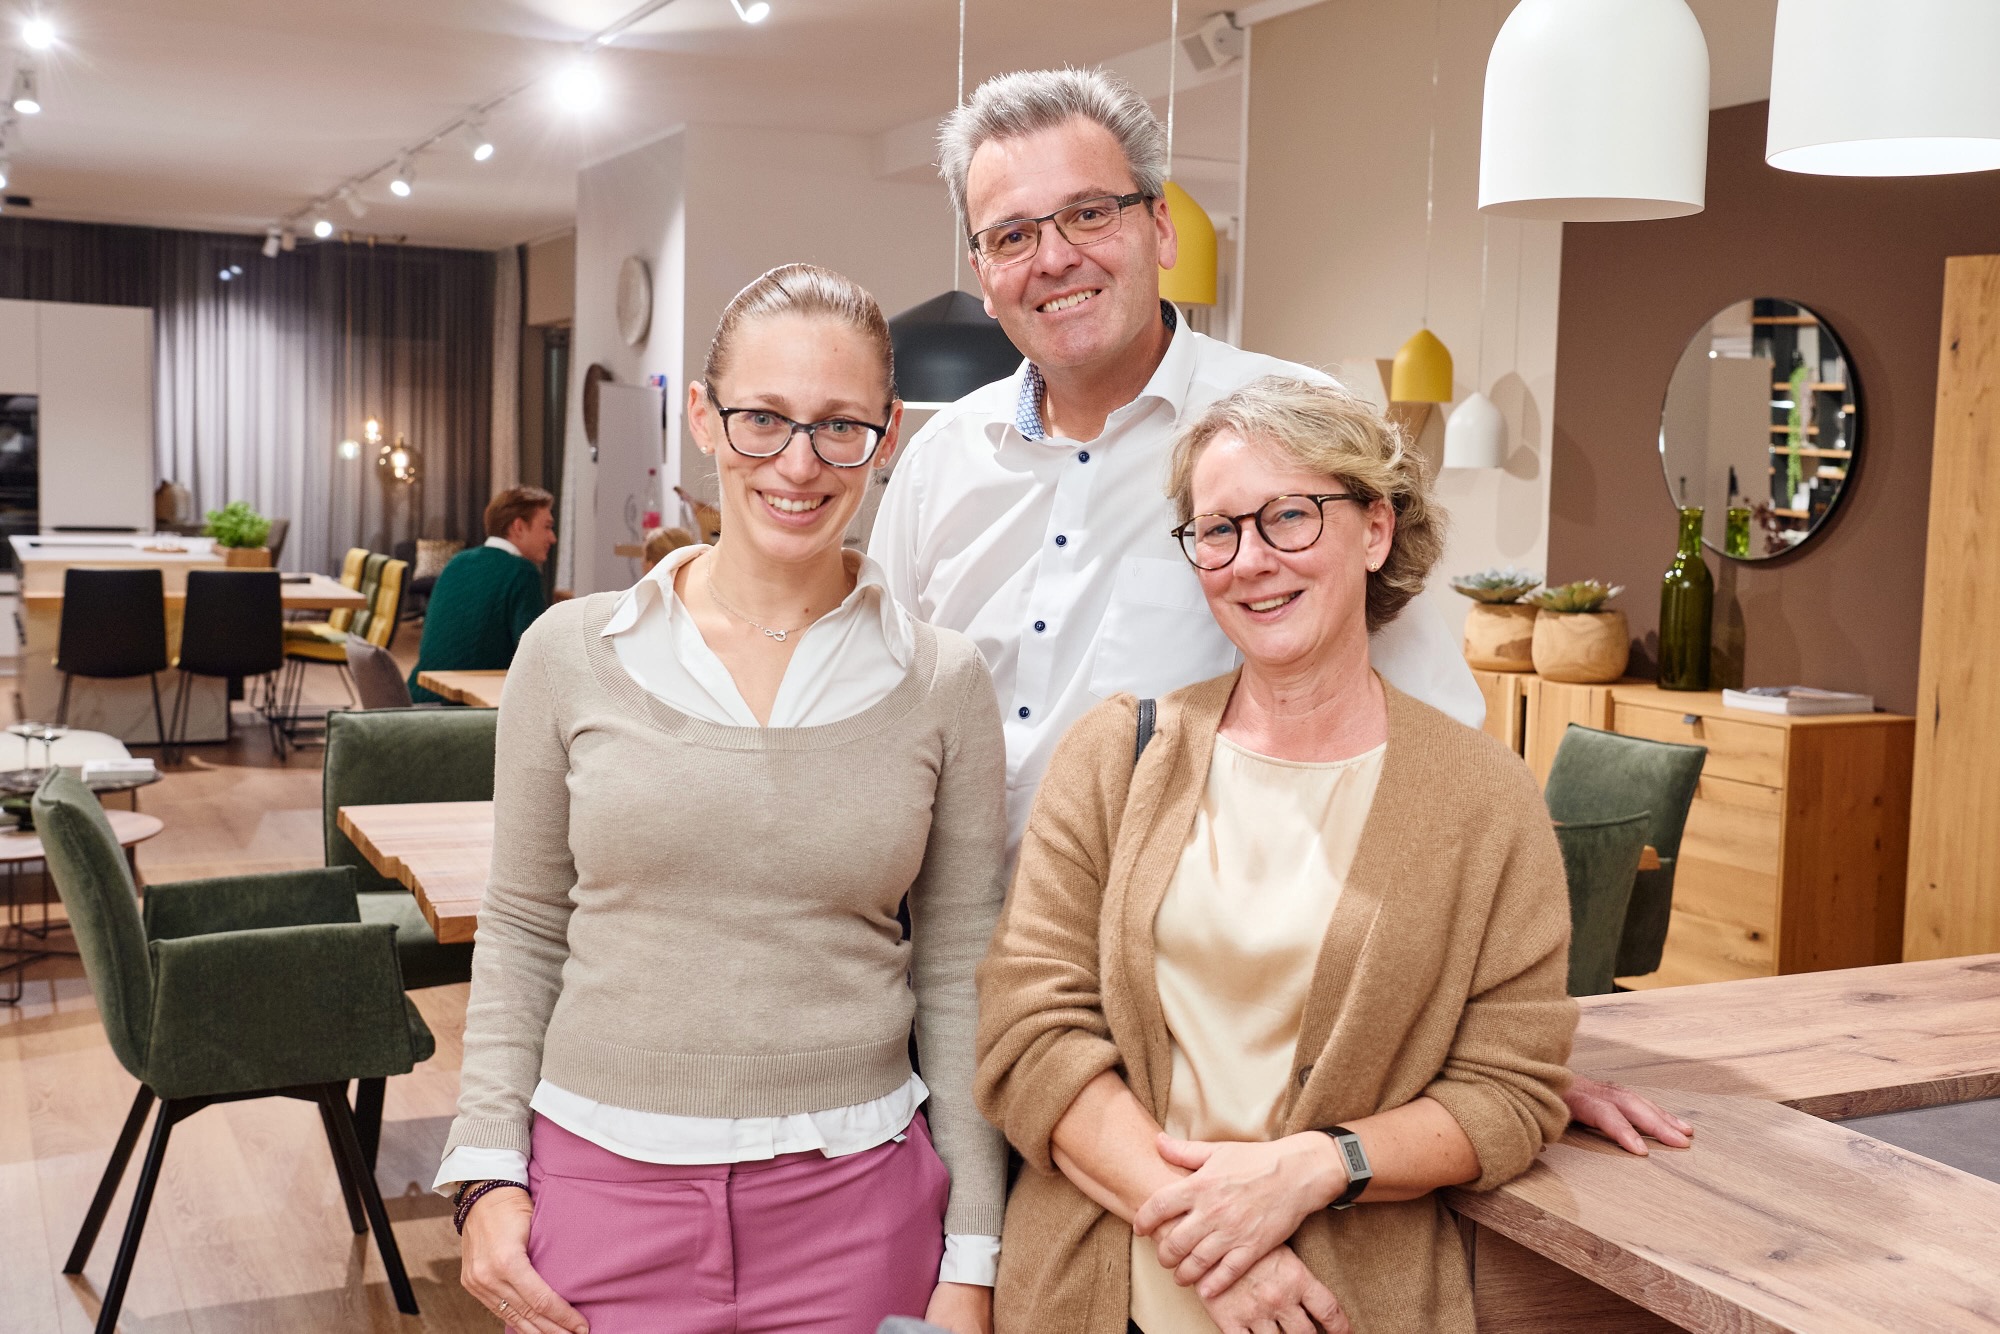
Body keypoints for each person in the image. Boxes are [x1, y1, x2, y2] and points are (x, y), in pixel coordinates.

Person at [870, 66, 1692, 1163]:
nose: (1053, 257)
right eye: (1011, 234)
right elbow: (880, 726)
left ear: (1160, 226)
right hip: (956, 1009)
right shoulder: (939, 465)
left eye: (1088, 213)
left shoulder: (1284, 432)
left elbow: (1434, 754)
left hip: (1201, 1027)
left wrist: (1497, 1054)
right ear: (981, 271)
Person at [438, 265, 1006, 1334]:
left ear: (887, 437)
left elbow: (957, 970)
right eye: (763, 418)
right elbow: (521, 926)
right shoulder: (569, 652)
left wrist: (974, 1246)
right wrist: (486, 1171)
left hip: (860, 1207)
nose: (798, 462)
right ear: (704, 417)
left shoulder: (942, 680)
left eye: (840, 426)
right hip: (599, 1195)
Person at [976, 375, 1577, 1333]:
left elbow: (1508, 1094)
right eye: (1218, 530)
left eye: (1290, 516)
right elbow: (1028, 1035)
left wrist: (1315, 1167)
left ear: (1375, 529)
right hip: (1096, 1295)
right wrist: (1220, 1246)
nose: (1251, 560)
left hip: (1342, 1308)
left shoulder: (1485, 800)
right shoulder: (1117, 758)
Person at [407, 486, 556, 702]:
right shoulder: (521, 572)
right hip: (459, 708)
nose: (552, 538)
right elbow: (536, 659)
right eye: (547, 527)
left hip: (416, 697)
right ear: (518, 527)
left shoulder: (458, 561)